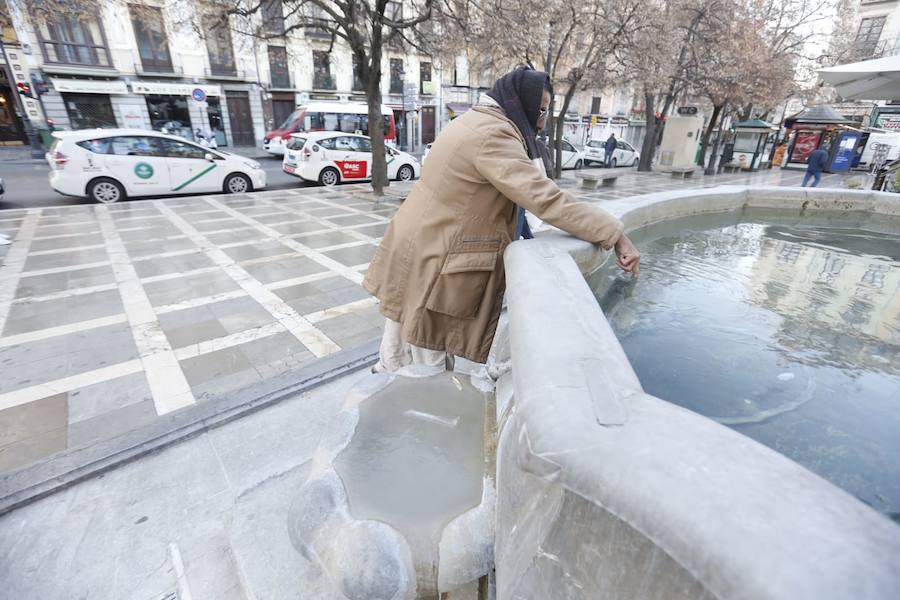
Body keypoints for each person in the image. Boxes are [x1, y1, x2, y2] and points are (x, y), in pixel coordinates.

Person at [363, 66, 640, 373]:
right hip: (433, 259)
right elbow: (545, 199)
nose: (542, 122)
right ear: (520, 102)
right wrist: (614, 233)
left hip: (415, 246)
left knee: (399, 342)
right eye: (541, 110)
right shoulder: (494, 134)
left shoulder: (473, 120)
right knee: (427, 362)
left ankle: (387, 382)